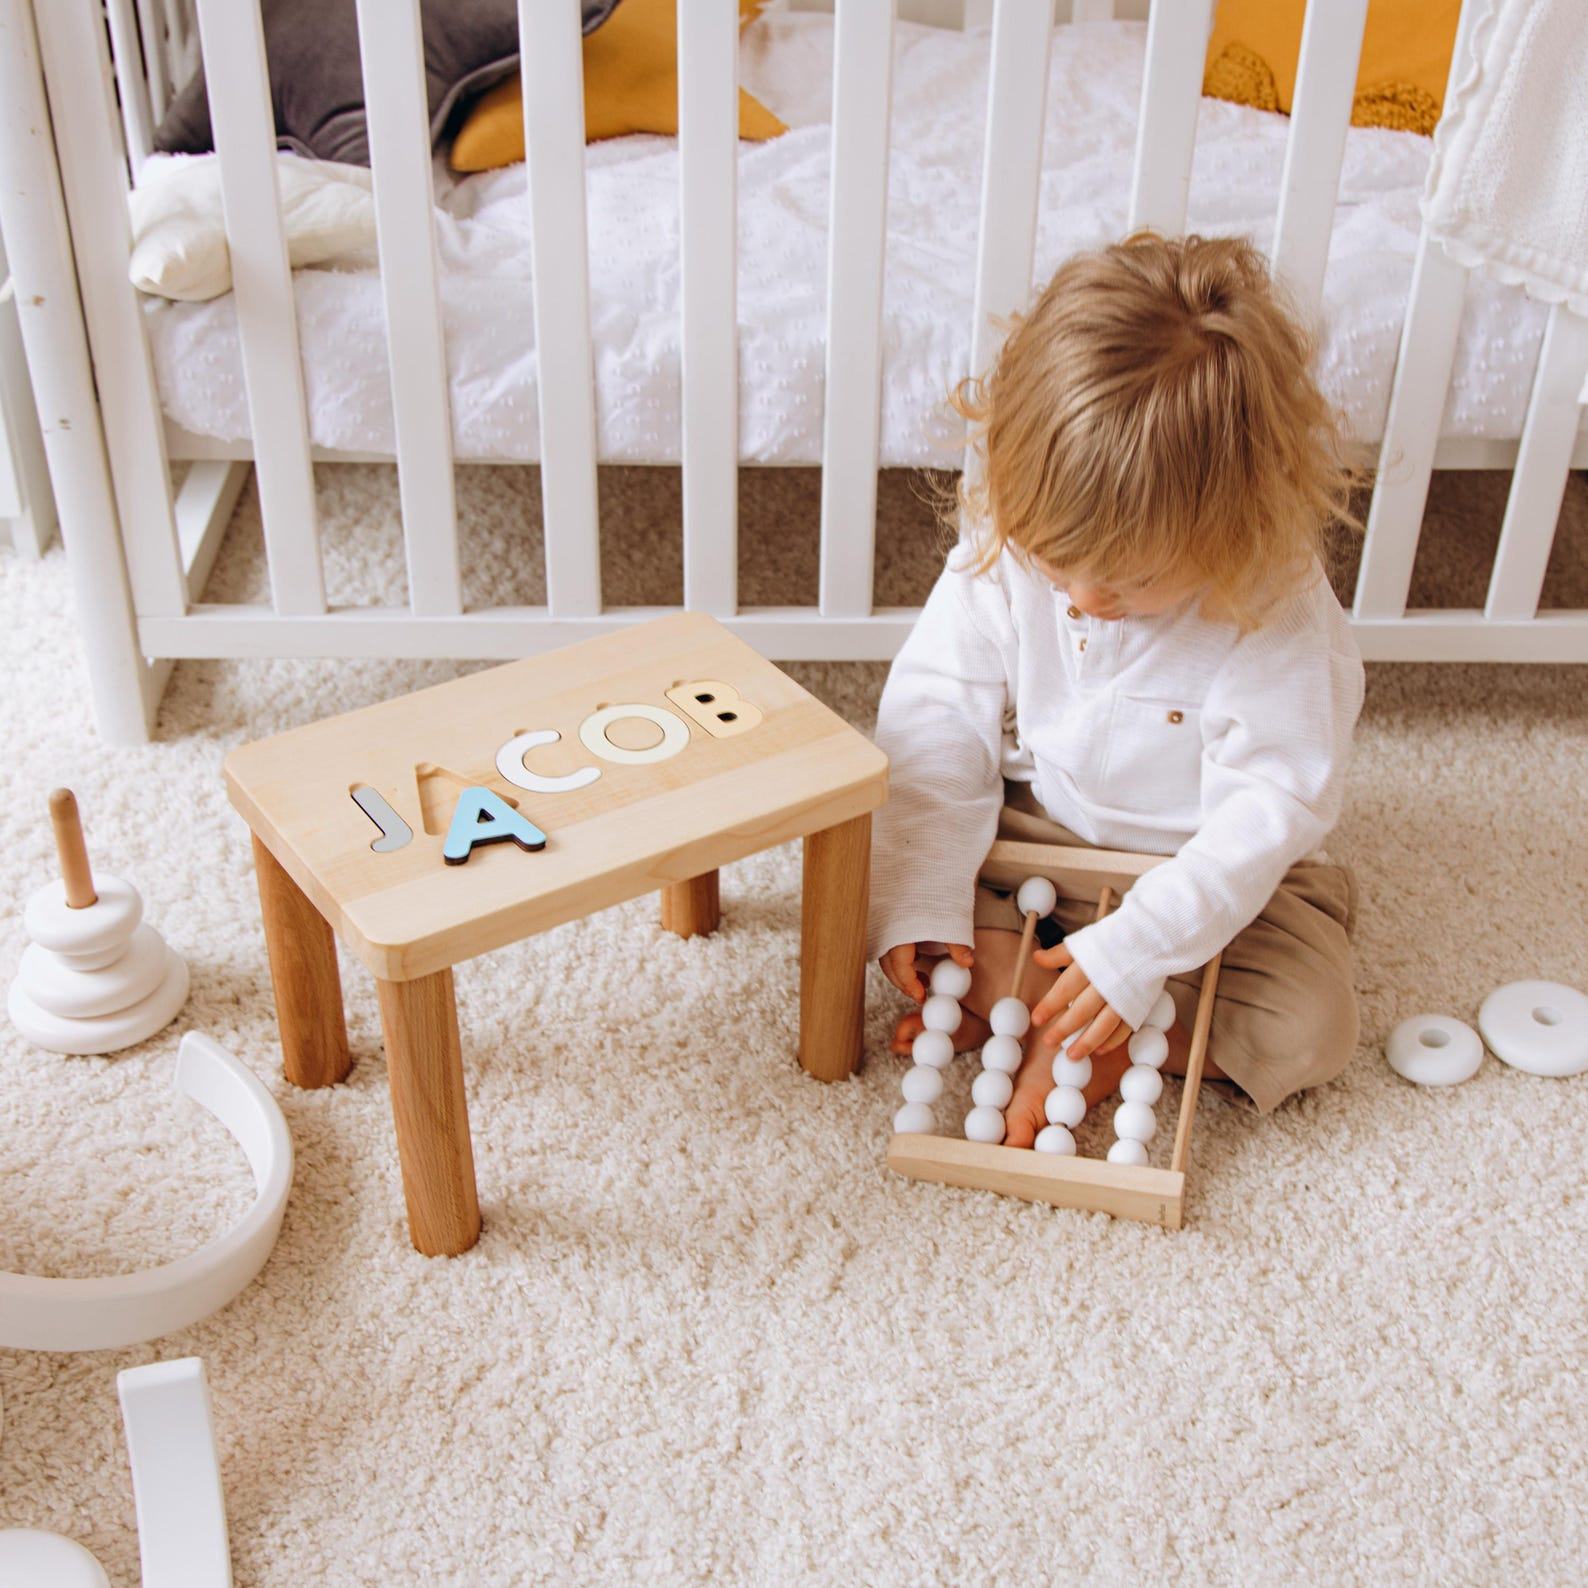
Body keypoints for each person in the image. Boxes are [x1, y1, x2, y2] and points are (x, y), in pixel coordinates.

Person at [871, 232, 1365, 1146]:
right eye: (1057, 565)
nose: (1085, 601)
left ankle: (1080, 1019)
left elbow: (1272, 806)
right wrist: (924, 892)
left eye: (1129, 584)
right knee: (894, 879)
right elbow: (935, 713)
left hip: (1205, 867)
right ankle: (1072, 1007)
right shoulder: (1013, 547)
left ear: (1233, 528)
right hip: (1043, 827)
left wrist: (1139, 952)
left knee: (1313, 1024)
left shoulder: (1275, 608)